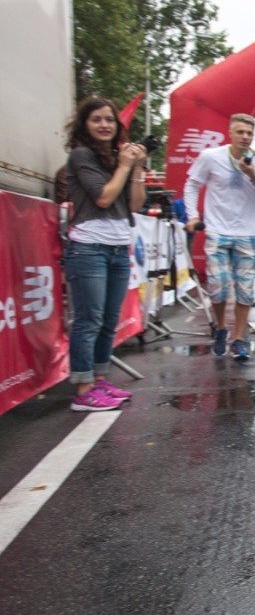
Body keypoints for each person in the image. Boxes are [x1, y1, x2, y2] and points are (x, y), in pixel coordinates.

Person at [62, 96, 147, 411]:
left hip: (117, 248)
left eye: (110, 120)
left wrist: (136, 167)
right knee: (89, 319)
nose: (104, 125)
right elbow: (103, 197)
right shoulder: (81, 156)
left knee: (109, 320)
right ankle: (83, 388)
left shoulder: (115, 160)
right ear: (85, 124)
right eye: (96, 119)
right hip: (88, 248)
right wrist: (125, 165)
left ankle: (99, 380)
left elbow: (134, 204)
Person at [184, 113, 255, 362]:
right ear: (231, 133)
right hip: (218, 231)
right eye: (241, 132)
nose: (245, 137)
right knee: (219, 287)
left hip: (248, 233)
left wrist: (253, 175)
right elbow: (192, 185)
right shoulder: (211, 158)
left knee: (245, 290)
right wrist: (192, 216)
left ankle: (239, 338)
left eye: (249, 133)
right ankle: (222, 327)